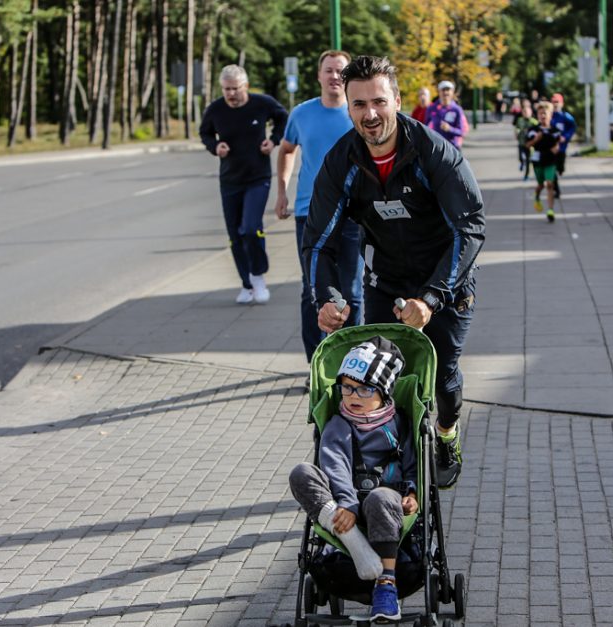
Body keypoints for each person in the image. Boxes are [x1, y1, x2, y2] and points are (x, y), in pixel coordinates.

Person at [302, 56, 485, 489]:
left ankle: (446, 433)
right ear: (347, 106)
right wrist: (326, 297)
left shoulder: (434, 152)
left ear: (397, 101)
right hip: (385, 281)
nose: (370, 115)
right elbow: (319, 240)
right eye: (359, 104)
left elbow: (470, 227)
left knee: (441, 375)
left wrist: (433, 297)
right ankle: (387, 469)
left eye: (379, 102)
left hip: (445, 282)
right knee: (381, 376)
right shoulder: (341, 161)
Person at [289, 336, 416, 622]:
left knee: (380, 496)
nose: (353, 396)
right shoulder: (339, 424)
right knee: (302, 473)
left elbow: (412, 464)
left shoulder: (400, 424)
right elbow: (334, 466)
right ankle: (352, 539)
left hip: (387, 503)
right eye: (346, 387)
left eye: (364, 389)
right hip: (341, 505)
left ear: (383, 392)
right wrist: (347, 504)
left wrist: (414, 492)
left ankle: (386, 584)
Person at [275, 50, 364, 366]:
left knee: (352, 290)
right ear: (319, 76)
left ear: (348, 76)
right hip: (309, 211)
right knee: (312, 290)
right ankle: (317, 364)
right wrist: (282, 191)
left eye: (340, 70)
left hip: (353, 212)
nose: (334, 76)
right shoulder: (301, 113)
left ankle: (353, 365)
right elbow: (286, 150)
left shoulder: (357, 113)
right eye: (328, 70)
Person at [200, 64, 288, 305]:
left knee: (250, 228)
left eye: (235, 89)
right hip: (230, 180)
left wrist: (273, 140)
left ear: (245, 86)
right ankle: (246, 283)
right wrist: (215, 147)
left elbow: (282, 117)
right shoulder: (215, 109)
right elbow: (205, 133)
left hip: (258, 177)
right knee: (234, 235)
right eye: (226, 89)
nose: (231, 94)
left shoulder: (262, 103)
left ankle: (258, 275)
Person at [524, 101, 561, 222]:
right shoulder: (533, 130)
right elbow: (527, 145)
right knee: (541, 185)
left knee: (550, 184)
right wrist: (536, 139)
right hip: (538, 160)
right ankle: (537, 195)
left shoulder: (555, 130)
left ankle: (550, 210)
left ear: (550, 115)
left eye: (545, 113)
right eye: (540, 113)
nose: (543, 116)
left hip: (550, 160)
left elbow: (558, 144)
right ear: (537, 115)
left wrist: (557, 148)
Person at [425, 80, 467, 149]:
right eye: (443, 90)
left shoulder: (457, 109)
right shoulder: (432, 108)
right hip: (437, 147)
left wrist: (450, 129)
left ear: (452, 92)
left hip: (453, 148)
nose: (445, 92)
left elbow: (461, 132)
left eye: (448, 90)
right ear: (439, 92)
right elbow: (425, 127)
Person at [550, 93, 577, 199]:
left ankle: (561, 168)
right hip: (551, 148)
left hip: (562, 147)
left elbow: (572, 128)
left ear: (562, 103)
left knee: (560, 167)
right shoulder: (549, 115)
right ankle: (556, 190)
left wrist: (565, 137)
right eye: (553, 102)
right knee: (552, 169)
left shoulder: (566, 116)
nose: (555, 104)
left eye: (557, 102)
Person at [514, 102, 538, 180]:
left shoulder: (534, 121)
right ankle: (522, 163)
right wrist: (516, 132)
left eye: (527, 112)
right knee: (520, 157)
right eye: (524, 112)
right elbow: (516, 128)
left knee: (528, 160)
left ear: (531, 113)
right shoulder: (520, 120)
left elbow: (538, 130)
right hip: (521, 142)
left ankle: (526, 175)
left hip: (529, 144)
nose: (526, 114)